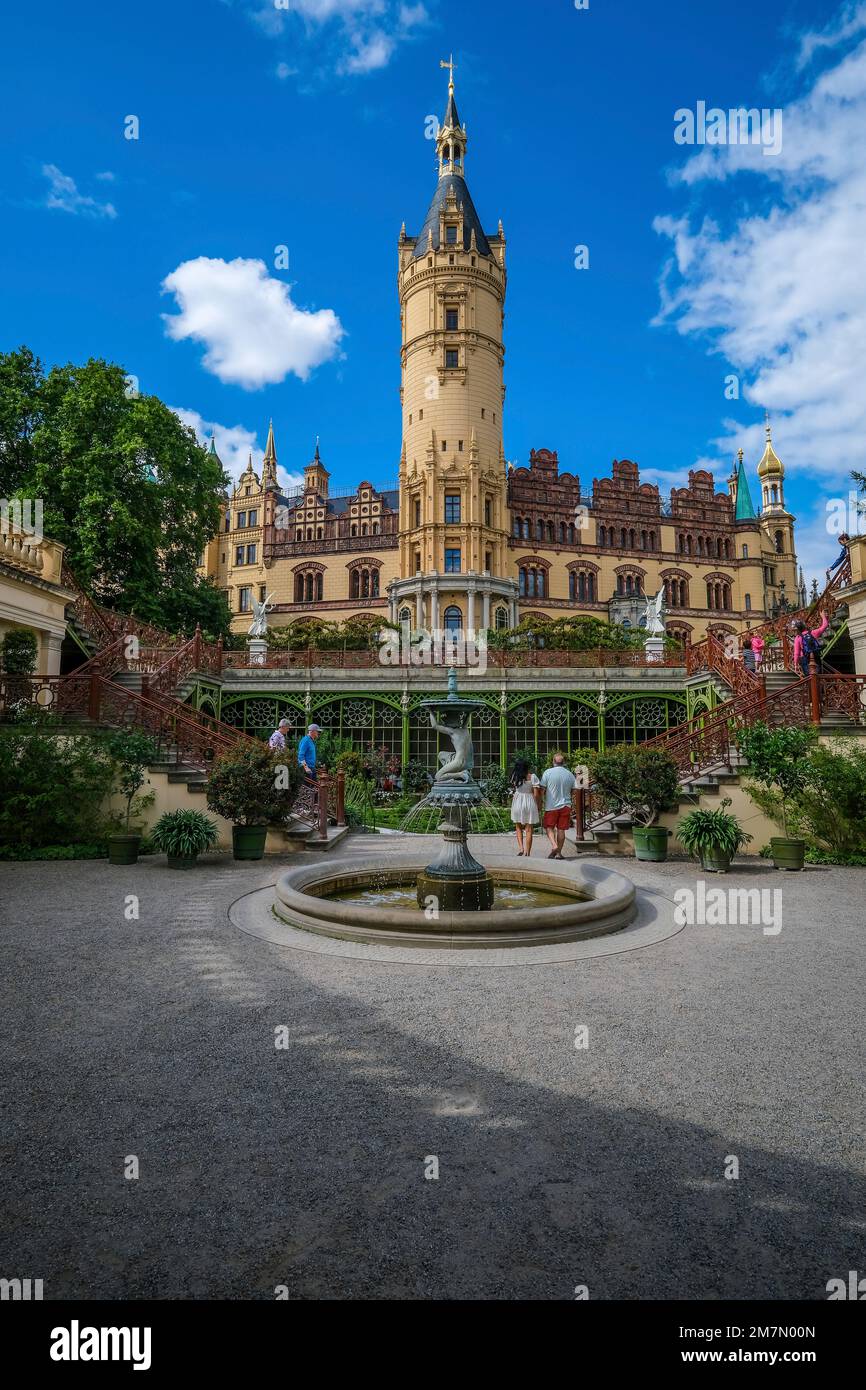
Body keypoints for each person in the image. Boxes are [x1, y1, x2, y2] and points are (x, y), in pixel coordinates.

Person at [540, 753, 577, 860]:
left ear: (553, 761)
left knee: (549, 827)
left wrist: (541, 801)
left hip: (551, 806)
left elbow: (542, 789)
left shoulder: (548, 772)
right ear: (564, 762)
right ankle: (559, 853)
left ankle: (554, 845)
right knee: (561, 830)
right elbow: (574, 790)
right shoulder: (569, 774)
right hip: (566, 805)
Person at [509, 758, 540, 857]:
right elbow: (536, 794)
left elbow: (515, 788)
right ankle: (527, 852)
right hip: (529, 801)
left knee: (518, 827)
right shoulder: (532, 777)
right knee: (529, 829)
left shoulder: (515, 776)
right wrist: (537, 805)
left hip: (518, 801)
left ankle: (521, 848)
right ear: (527, 767)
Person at [792, 611, 828, 678]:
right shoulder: (812, 633)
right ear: (804, 627)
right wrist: (823, 616)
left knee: (808, 677)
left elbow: (796, 653)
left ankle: (812, 688)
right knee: (818, 676)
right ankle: (818, 688)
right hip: (815, 656)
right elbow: (824, 626)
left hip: (805, 659)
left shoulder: (798, 638)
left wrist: (796, 664)